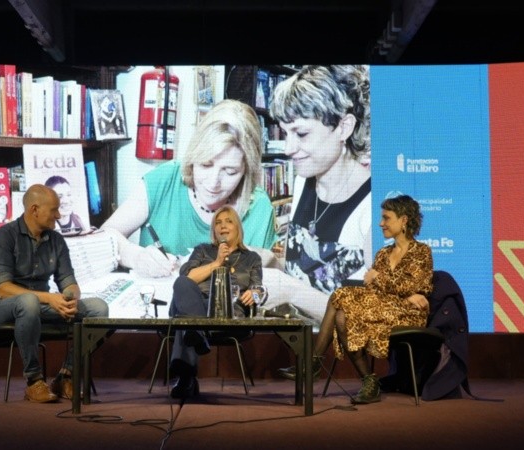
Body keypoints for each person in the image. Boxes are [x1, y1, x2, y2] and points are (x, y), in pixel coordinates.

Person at [277, 195, 433, 405]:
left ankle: (313, 363)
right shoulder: (383, 254)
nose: (381, 223)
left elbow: (412, 286)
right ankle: (369, 382)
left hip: (407, 313)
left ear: (404, 220)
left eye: (386, 218)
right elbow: (374, 288)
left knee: (340, 297)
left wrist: (382, 279)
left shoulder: (421, 252)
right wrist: (397, 288)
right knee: (341, 316)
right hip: (380, 306)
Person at [101, 99, 276, 278]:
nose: (213, 182)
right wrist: (136, 257)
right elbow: (105, 236)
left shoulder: (259, 207)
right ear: (193, 155)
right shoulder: (164, 179)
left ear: (247, 171)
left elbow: (263, 282)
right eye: (206, 164)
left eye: (230, 171)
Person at [0, 184, 109, 403]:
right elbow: (2, 289)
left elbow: (69, 282)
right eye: (54, 210)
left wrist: (69, 299)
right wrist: (50, 298)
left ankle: (65, 376)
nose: (59, 215)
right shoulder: (5, 236)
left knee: (99, 308)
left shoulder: (56, 240)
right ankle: (34, 381)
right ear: (34, 209)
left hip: (38, 307)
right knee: (28, 301)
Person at [269, 65, 372, 294]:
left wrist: (291, 292)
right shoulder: (301, 182)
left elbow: (371, 318)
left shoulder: (374, 207)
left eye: (302, 134)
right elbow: (299, 270)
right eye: (286, 133)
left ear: (344, 128)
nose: (288, 148)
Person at [167, 206, 263, 399]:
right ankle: (196, 332)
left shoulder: (252, 258)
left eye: (228, 221)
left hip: (229, 313)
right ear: (213, 230)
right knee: (182, 285)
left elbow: (258, 289)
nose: (223, 226)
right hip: (196, 304)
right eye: (218, 223)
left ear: (238, 228)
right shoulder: (202, 250)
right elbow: (188, 277)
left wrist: (254, 293)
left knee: (185, 321)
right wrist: (216, 263)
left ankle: (186, 378)